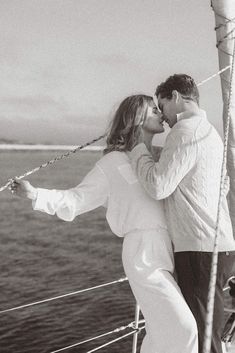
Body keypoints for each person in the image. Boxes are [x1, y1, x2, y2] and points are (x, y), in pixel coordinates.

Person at [9, 94, 198, 353]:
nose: (160, 113)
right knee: (184, 327)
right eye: (153, 110)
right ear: (137, 118)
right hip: (143, 254)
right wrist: (35, 194)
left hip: (171, 250)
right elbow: (76, 199)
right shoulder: (112, 163)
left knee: (159, 331)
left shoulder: (159, 158)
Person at [129, 75, 235, 353]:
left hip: (198, 251)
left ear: (175, 97)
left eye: (162, 106)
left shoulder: (184, 131)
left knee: (202, 339)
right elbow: (222, 186)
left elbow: (158, 186)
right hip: (219, 246)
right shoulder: (211, 133)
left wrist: (140, 148)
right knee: (203, 332)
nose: (163, 118)